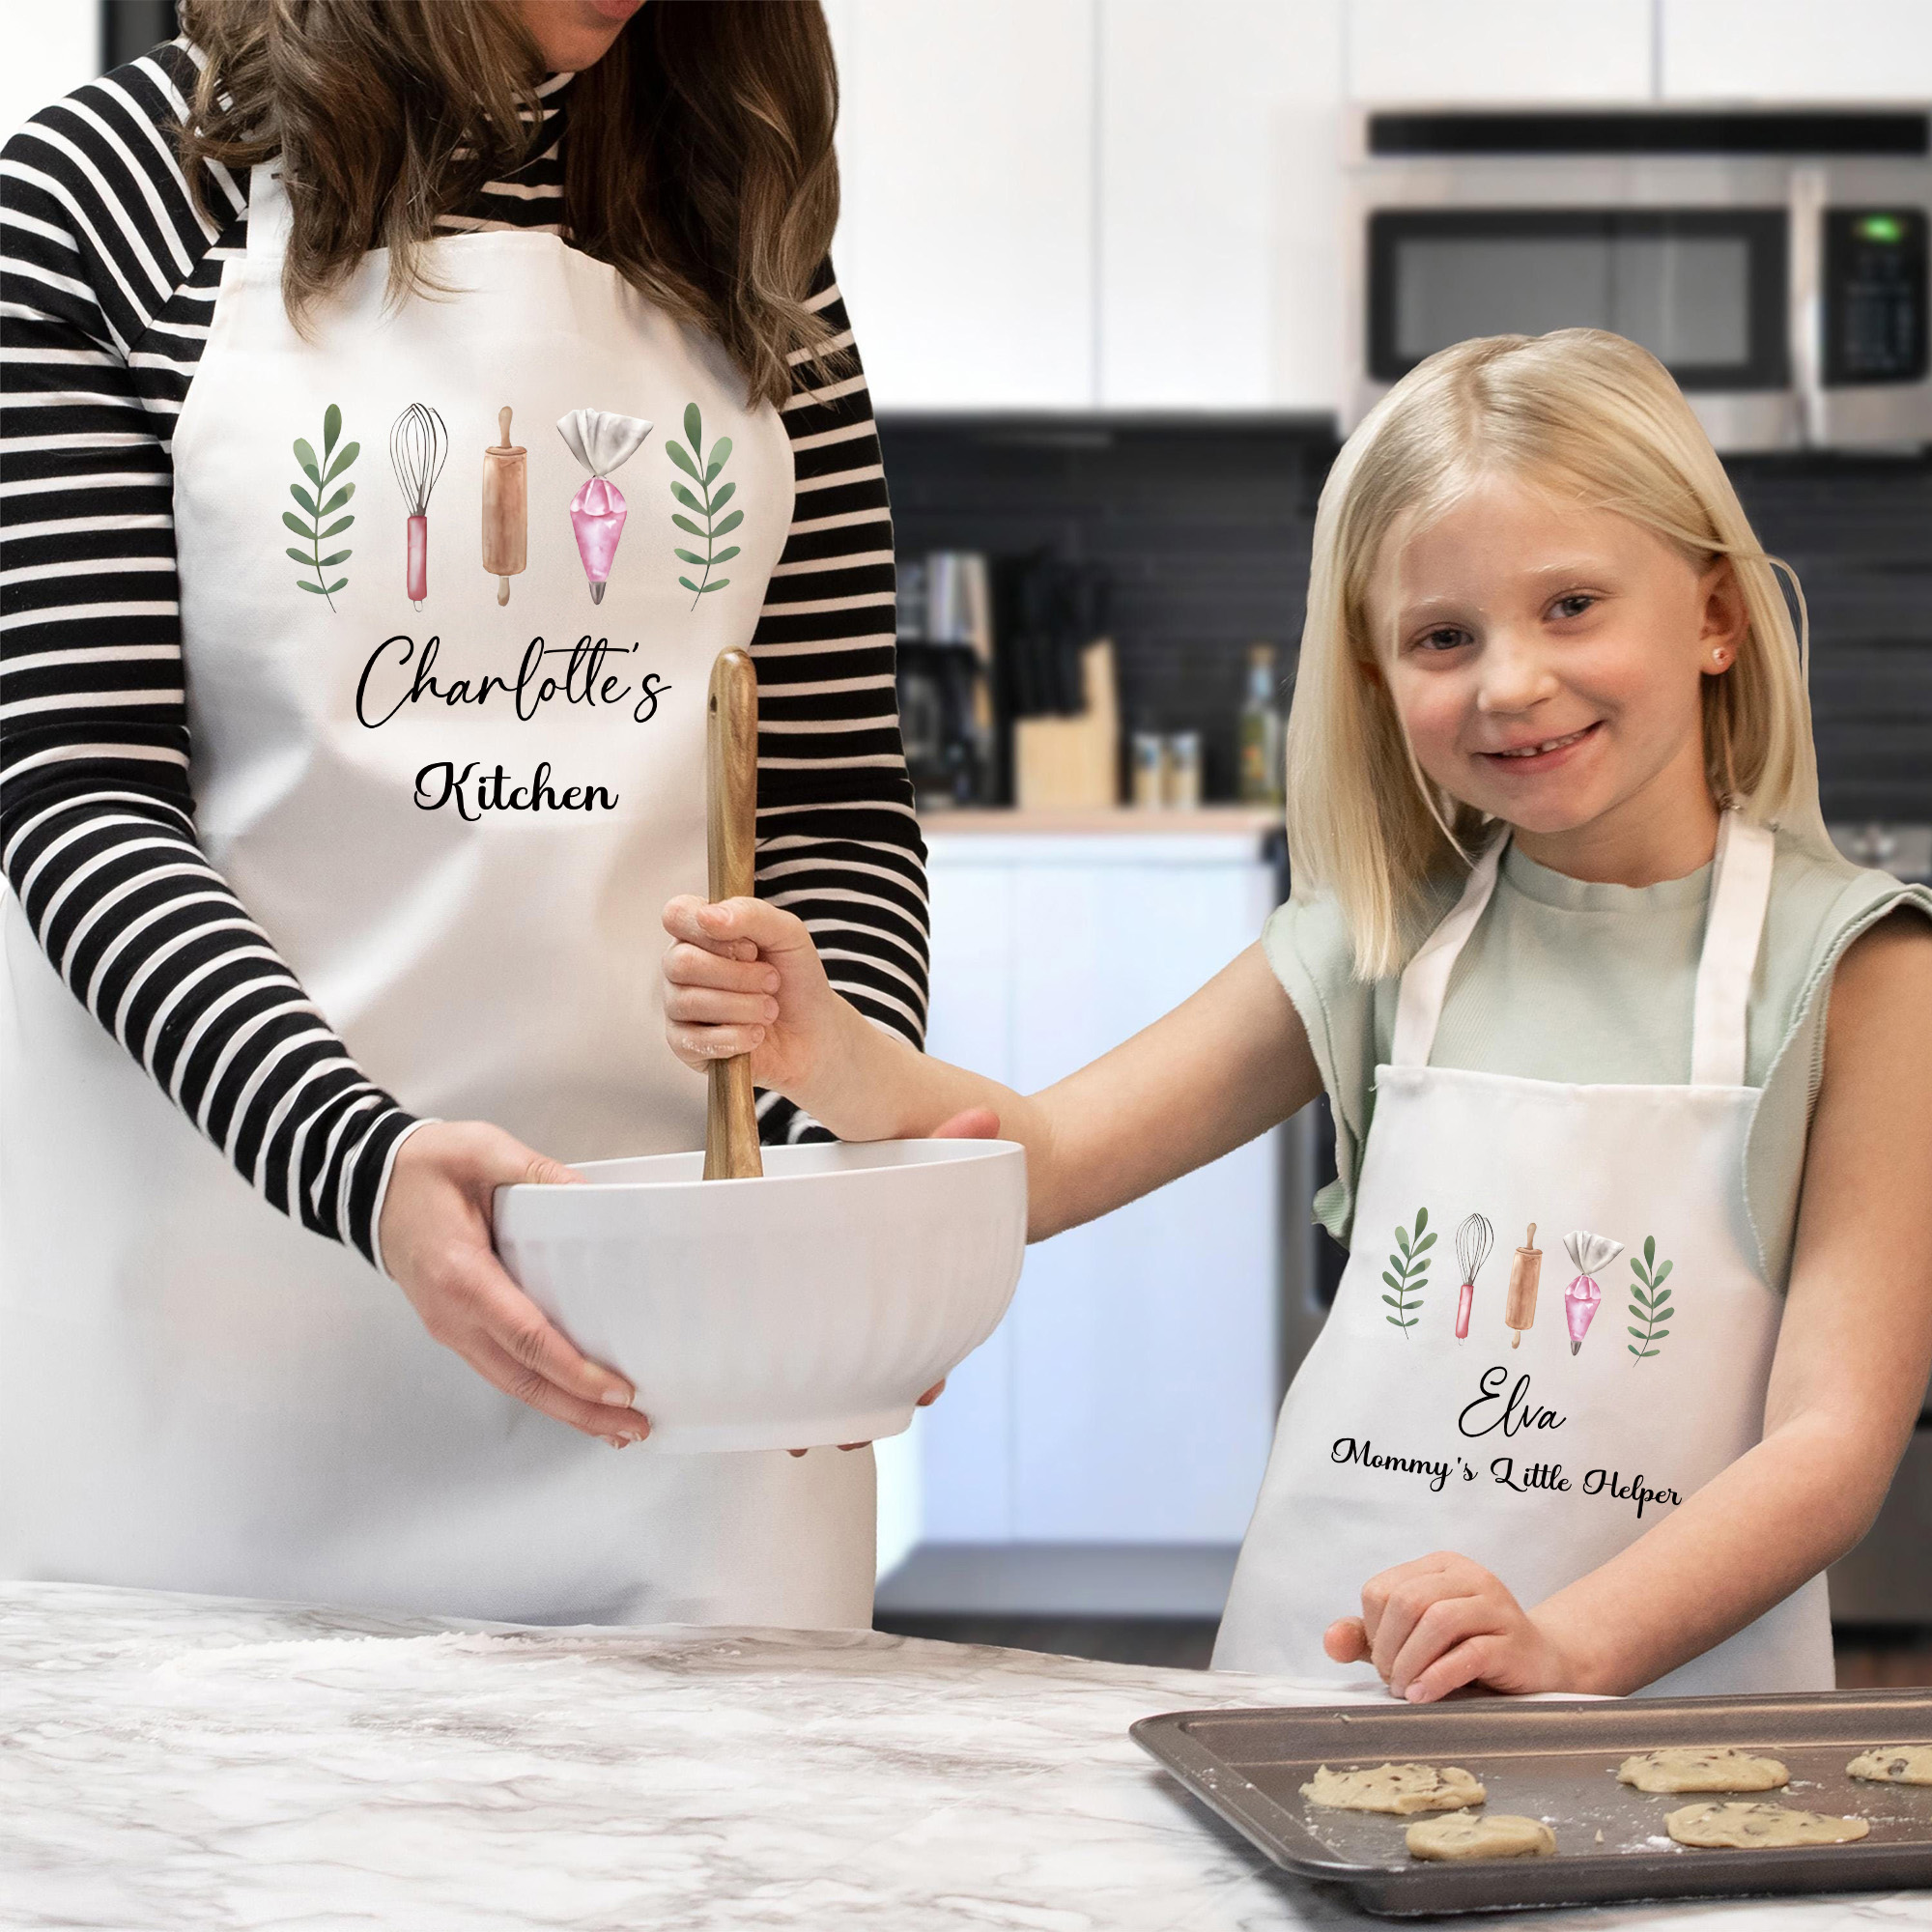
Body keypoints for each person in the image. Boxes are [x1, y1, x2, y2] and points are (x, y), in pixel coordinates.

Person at [662, 328, 1932, 1698]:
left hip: (1661, 1708)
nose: (1509, 681)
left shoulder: (1858, 971)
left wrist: (1568, 1648)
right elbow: (1045, 1157)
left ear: (1715, 616)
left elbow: (1831, 1444)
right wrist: (820, 1047)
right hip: (1327, 1681)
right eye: (1445, 636)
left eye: (1572, 605)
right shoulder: (1379, 940)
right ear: (1380, 682)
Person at [0, 0, 930, 1628]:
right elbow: (83, 797)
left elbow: (837, 807)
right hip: (227, 1353)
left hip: (682, 1379)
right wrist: (363, 1165)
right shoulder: (97, 198)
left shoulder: (739, 214)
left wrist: (803, 1212)